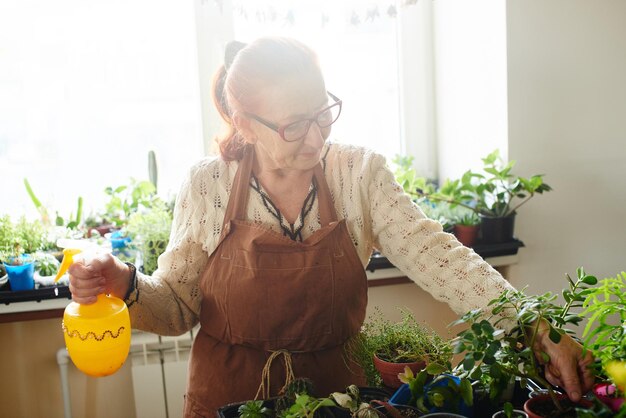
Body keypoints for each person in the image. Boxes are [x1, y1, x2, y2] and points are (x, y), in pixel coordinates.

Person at [68, 37, 594, 417]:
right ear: (245, 124)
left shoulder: (357, 173)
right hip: (227, 399)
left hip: (340, 399)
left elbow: (441, 258)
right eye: (294, 124)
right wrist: (124, 283)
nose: (316, 136)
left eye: (323, 113)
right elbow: (178, 308)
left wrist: (537, 330)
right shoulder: (208, 185)